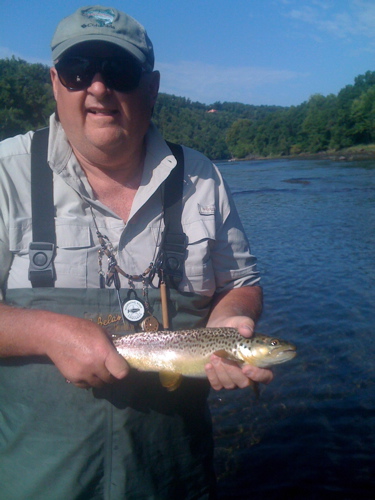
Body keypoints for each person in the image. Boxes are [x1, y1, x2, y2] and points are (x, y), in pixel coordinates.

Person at [0, 5, 273, 500]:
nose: (98, 88)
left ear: (151, 87)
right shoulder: (5, 174)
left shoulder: (201, 179)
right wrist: (45, 330)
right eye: (79, 70)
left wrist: (232, 318)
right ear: (56, 82)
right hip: (36, 483)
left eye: (119, 71)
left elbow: (240, 284)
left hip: (174, 480)